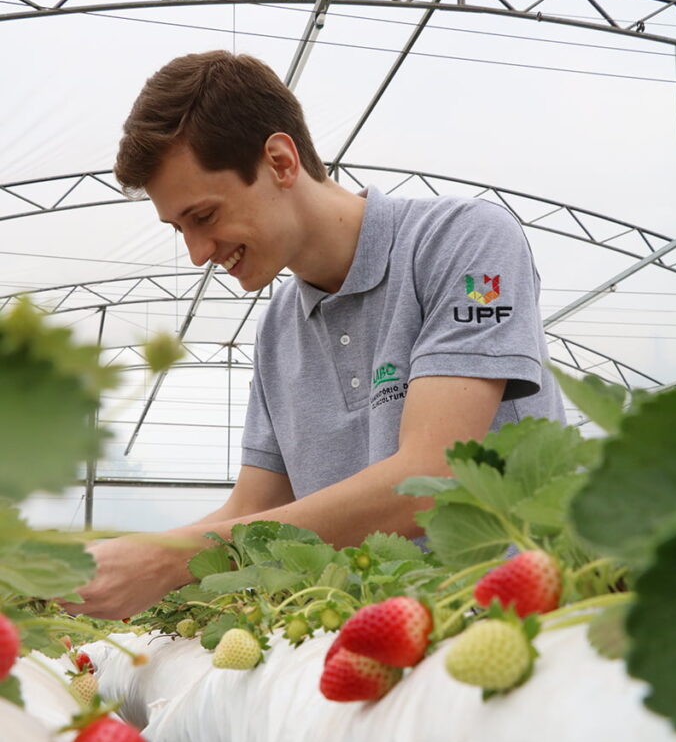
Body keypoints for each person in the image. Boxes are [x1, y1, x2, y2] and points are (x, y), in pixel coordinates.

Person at [63, 50, 565, 620]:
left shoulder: (460, 241)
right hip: (376, 641)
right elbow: (254, 507)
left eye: (202, 217)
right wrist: (104, 565)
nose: (198, 253)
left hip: (522, 628)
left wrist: (169, 563)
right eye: (179, 229)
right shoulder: (279, 329)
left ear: (280, 160)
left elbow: (433, 479)